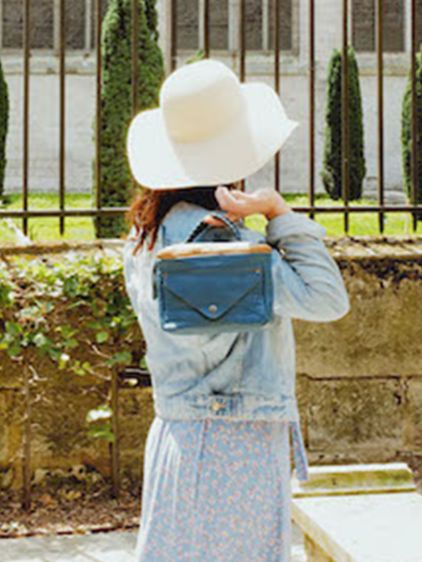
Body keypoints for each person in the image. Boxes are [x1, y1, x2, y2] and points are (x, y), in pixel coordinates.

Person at [123, 59, 350, 561]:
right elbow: (327, 297)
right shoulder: (227, 246)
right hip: (235, 444)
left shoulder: (147, 238)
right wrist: (278, 214)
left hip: (179, 435)